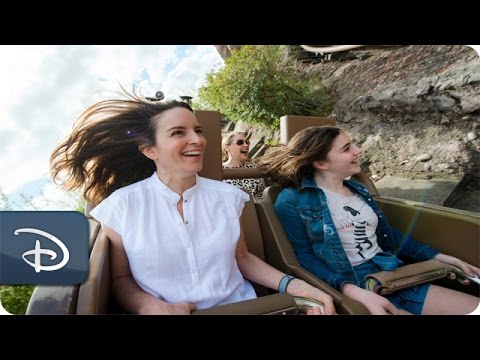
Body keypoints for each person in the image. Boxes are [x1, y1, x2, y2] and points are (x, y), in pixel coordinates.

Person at [50, 91, 335, 315]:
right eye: (178, 133)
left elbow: (243, 259)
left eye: (198, 130)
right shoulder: (120, 207)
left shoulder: (229, 197)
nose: (197, 139)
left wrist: (296, 286)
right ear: (150, 150)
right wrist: (149, 307)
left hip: (246, 308)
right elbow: (120, 280)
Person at [260, 126, 480, 315]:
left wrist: (438, 256)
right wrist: (351, 291)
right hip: (349, 284)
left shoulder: (357, 188)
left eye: (353, 145)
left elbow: (387, 234)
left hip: (391, 273)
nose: (358, 150)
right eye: (347, 149)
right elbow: (303, 258)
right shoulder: (292, 199)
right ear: (320, 163)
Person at [222, 131, 266, 200]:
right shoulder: (220, 170)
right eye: (240, 142)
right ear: (227, 147)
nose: (246, 145)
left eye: (247, 142)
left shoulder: (255, 167)